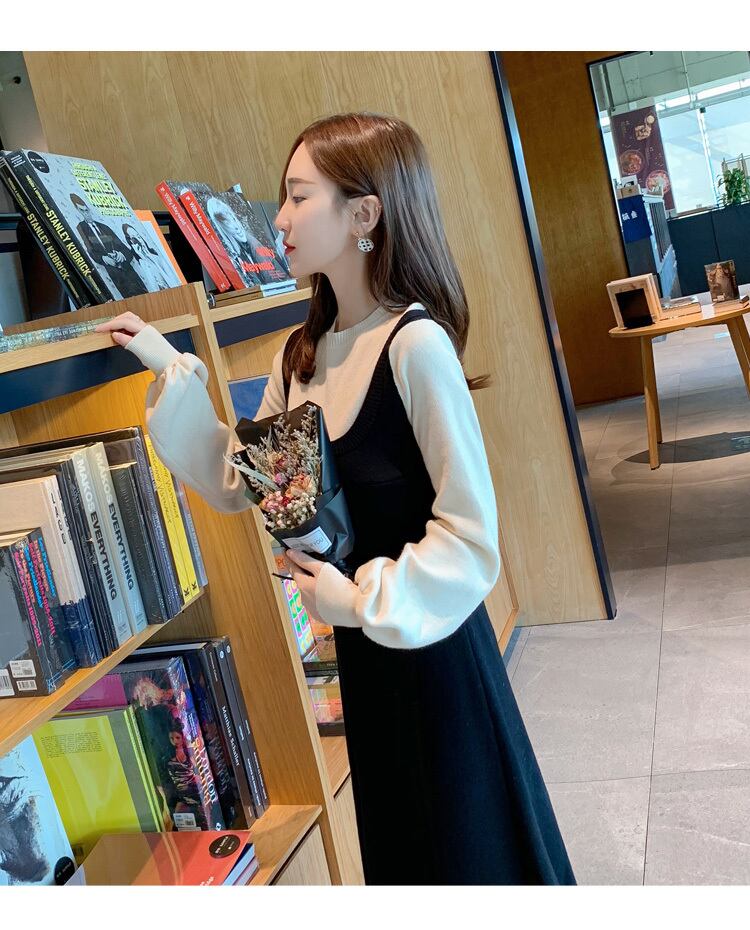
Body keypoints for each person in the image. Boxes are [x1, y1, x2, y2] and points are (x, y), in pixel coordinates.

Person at [96, 112, 575, 886]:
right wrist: (167, 366)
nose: (279, 220)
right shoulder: (301, 356)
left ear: (364, 215)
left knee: (470, 856)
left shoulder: (415, 345)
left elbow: (470, 537)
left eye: (298, 197)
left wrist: (356, 599)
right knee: (404, 858)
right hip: (364, 662)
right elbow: (245, 482)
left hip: (436, 657)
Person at [70, 193, 146, 298]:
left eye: (86, 210)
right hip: (115, 275)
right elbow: (90, 251)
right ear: (77, 210)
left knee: (144, 295)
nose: (86, 214)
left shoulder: (105, 227)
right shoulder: (81, 228)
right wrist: (103, 258)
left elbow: (124, 248)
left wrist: (122, 255)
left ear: (89, 209)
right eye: (82, 211)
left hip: (128, 270)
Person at [122, 222, 174, 291]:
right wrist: (142, 256)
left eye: (138, 236)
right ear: (131, 242)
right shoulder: (141, 264)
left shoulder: (157, 255)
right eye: (134, 238)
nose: (139, 240)